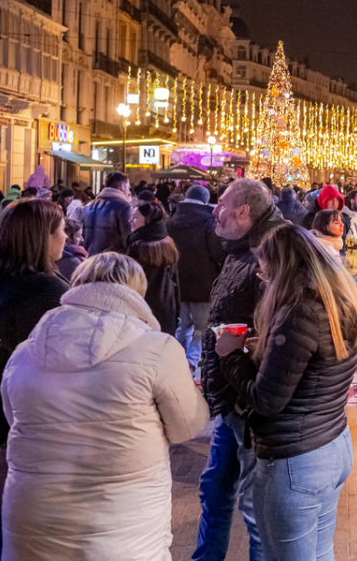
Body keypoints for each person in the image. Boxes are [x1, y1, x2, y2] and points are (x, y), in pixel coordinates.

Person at [1, 253, 208, 559]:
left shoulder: (24, 353)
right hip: (119, 523)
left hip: (32, 515)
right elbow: (187, 426)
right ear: (136, 291)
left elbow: (15, 417)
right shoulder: (157, 349)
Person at [215, 224, 357, 558]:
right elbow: (314, 365)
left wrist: (229, 356)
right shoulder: (336, 301)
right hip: (332, 443)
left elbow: (265, 400)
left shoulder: (298, 312)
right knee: (319, 553)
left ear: (284, 270)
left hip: (296, 460)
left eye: (267, 275)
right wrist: (269, 349)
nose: (265, 282)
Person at [193, 179, 286, 561]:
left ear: (244, 212)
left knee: (254, 509)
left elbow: (278, 331)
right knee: (215, 489)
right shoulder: (238, 250)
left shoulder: (268, 255)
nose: (215, 210)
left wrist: (240, 356)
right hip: (228, 398)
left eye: (222, 204)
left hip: (247, 405)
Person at [0, 199, 68, 548]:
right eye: (61, 230)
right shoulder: (50, 294)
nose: (66, 237)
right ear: (44, 238)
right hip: (23, 429)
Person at [169, 184, 226, 377]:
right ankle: (191, 364)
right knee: (200, 328)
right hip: (203, 283)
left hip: (178, 281)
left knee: (182, 324)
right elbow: (217, 252)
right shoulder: (207, 220)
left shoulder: (173, 219)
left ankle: (174, 359)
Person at [127, 201, 181, 335]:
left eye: (135, 217)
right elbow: (176, 282)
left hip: (143, 310)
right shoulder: (167, 242)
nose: (130, 220)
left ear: (147, 221)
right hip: (167, 306)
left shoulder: (138, 248)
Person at [83, 171, 134, 254]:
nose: (129, 192)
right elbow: (127, 238)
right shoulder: (123, 206)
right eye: (128, 188)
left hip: (90, 258)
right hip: (111, 260)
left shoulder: (89, 205)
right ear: (122, 186)